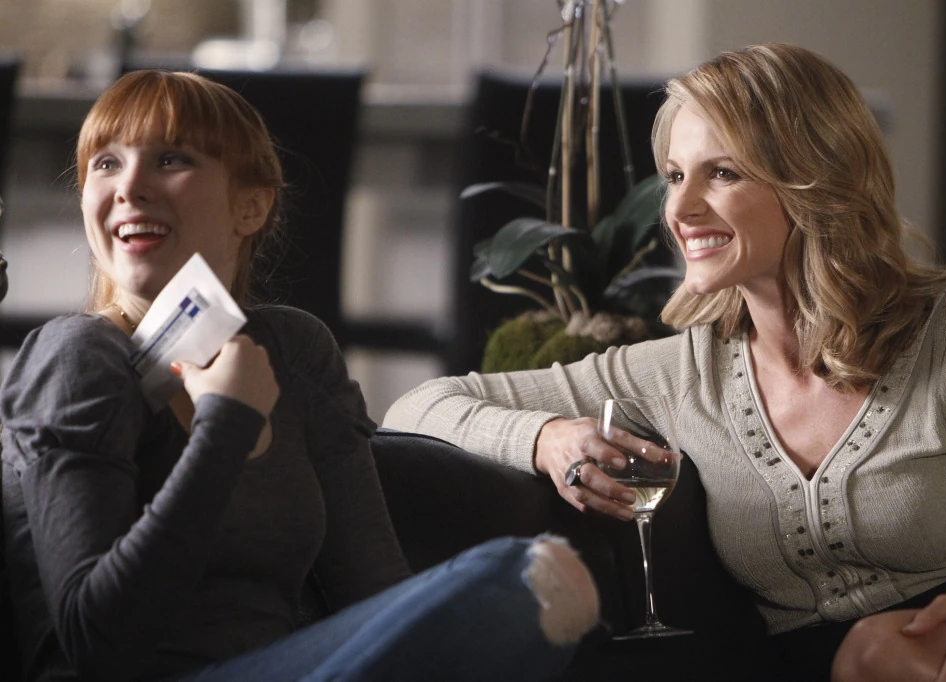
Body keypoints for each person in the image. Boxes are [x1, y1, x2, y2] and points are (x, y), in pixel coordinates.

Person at [384, 42, 946, 682]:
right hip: (795, 665)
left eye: (722, 173)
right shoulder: (679, 374)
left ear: (814, 181)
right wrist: (547, 438)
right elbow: (418, 406)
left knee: (885, 651)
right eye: (674, 176)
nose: (680, 209)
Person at [0, 69, 599, 682]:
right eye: (106, 164)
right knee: (524, 580)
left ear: (251, 205)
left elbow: (376, 593)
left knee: (524, 598)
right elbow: (96, 642)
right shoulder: (77, 357)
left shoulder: (294, 350)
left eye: (171, 159)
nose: (129, 187)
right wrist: (225, 429)